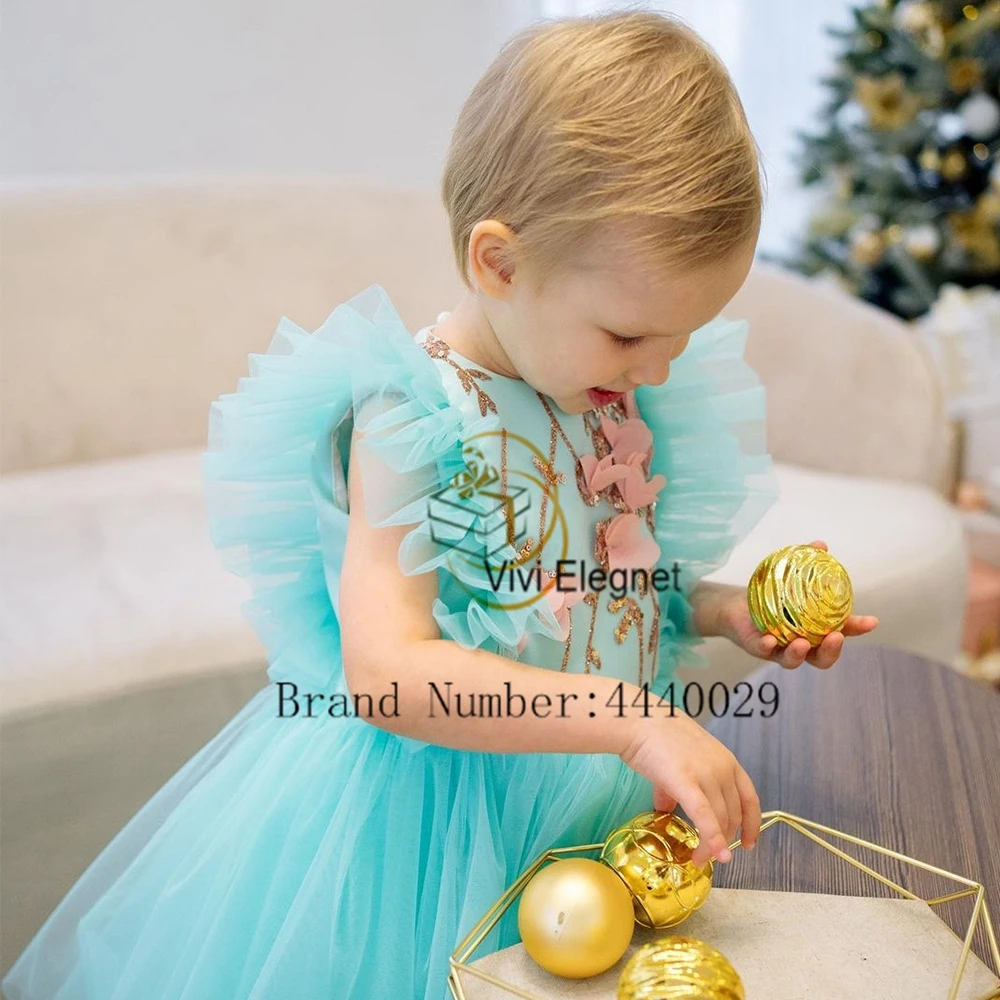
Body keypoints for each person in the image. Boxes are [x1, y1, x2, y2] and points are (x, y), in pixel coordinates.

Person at [2, 11, 879, 1000]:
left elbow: (594, 581)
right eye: (632, 335)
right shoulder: (410, 416)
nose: (661, 367)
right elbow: (384, 671)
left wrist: (724, 611)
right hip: (425, 825)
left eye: (683, 335)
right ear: (497, 262)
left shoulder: (598, 388)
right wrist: (628, 716)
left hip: (588, 793)